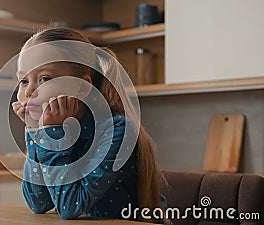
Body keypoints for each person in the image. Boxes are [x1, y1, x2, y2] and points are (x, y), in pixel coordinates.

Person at [11, 28, 169, 224]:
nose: (29, 92)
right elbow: (38, 202)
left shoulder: (118, 131)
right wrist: (36, 131)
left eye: (44, 78)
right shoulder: (59, 129)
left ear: (82, 86)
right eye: (23, 81)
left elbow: (70, 207)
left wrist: (51, 132)